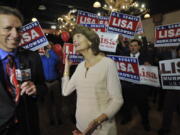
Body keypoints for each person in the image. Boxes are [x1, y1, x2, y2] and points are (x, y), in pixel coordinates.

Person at [62, 25, 124, 135]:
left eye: (78, 36)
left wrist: (97, 121)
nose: (74, 40)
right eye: (73, 38)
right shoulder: (80, 66)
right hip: (80, 125)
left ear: (90, 41)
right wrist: (66, 66)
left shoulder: (108, 64)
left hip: (102, 129)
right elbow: (65, 91)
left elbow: (117, 100)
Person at [0, 6, 47, 135]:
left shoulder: (33, 57)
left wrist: (36, 89)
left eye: (19, 29)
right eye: (8, 28)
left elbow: (43, 87)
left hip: (28, 127)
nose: (15, 34)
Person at [120, 39, 151, 131]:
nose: (133, 47)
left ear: (139, 47)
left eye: (135, 45)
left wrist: (149, 66)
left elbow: (152, 70)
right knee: (126, 104)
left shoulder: (146, 57)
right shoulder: (124, 56)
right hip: (127, 86)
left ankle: (145, 122)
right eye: (131, 46)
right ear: (128, 47)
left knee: (143, 106)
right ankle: (127, 117)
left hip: (140, 87)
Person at [158, 45, 180, 135]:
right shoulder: (172, 61)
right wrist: (161, 72)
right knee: (167, 109)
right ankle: (165, 128)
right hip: (172, 89)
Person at [40, 42, 63, 126]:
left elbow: (57, 59)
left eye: (48, 45)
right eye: (45, 46)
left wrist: (50, 51)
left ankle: (59, 118)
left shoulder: (53, 56)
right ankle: (51, 119)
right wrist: (43, 51)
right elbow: (38, 59)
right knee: (48, 103)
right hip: (46, 83)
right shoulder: (41, 57)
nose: (46, 47)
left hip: (55, 82)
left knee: (58, 102)